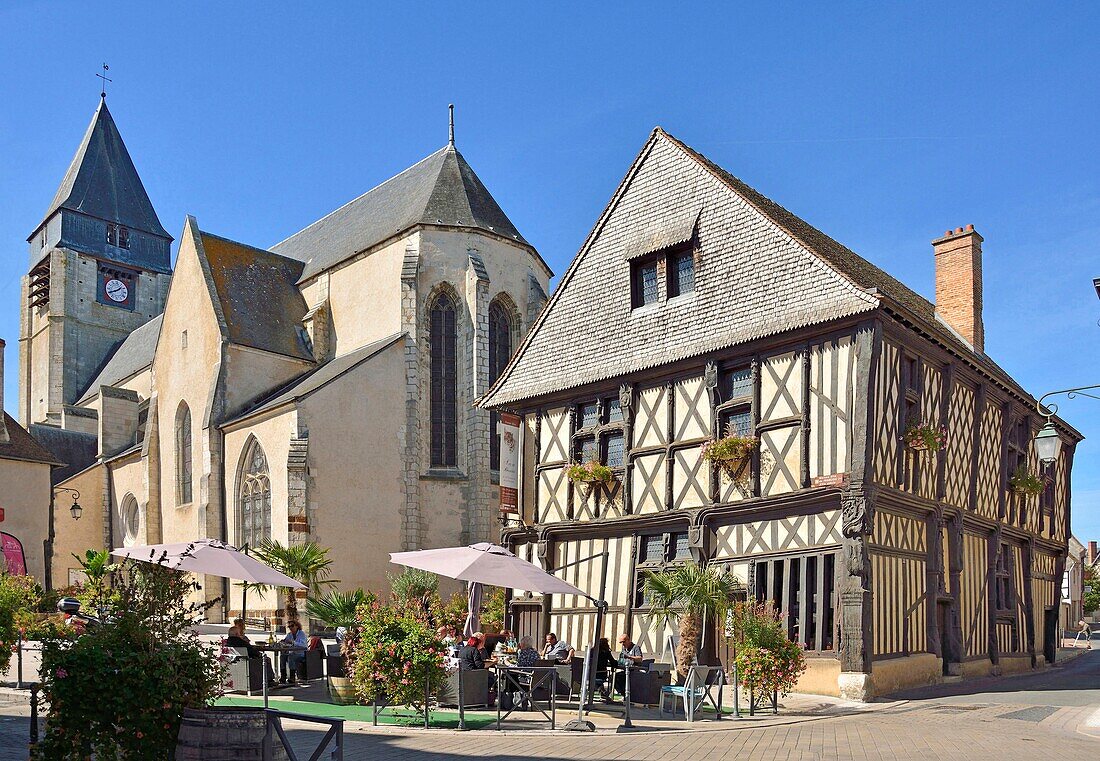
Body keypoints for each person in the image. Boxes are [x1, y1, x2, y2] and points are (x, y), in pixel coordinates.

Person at [614, 633, 645, 697]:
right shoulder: (624, 648)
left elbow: (640, 659)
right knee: (614, 677)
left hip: (635, 670)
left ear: (628, 640)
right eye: (621, 642)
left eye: (624, 642)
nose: (622, 644)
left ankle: (627, 695)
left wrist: (629, 657)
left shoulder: (635, 647)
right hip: (626, 670)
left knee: (621, 677)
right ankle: (623, 694)